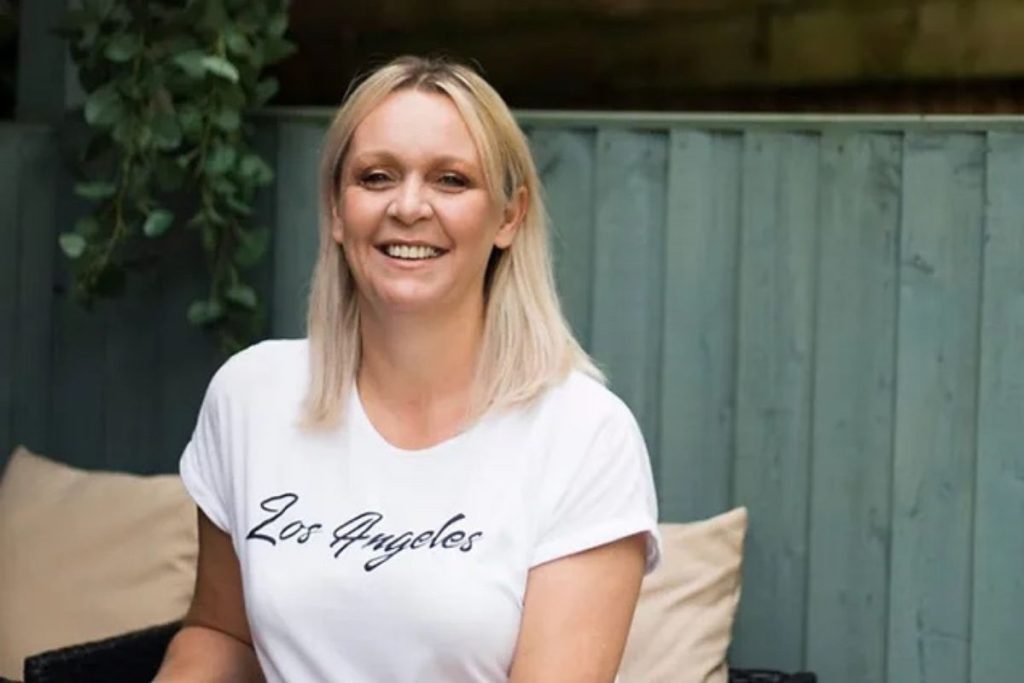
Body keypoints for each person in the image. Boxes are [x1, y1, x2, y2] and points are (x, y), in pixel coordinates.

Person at [155, 55, 661, 683]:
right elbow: (222, 634)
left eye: (450, 180)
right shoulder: (251, 397)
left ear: (509, 216)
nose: (409, 206)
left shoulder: (584, 435)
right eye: (376, 176)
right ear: (338, 210)